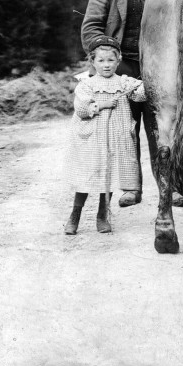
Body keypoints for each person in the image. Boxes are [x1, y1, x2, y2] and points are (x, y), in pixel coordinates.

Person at [80, 0, 183, 207]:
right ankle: (131, 188)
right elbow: (90, 29)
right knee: (126, 130)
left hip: (156, 69)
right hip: (122, 68)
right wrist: (106, 56)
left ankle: (172, 188)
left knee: (163, 128)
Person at [64, 37, 146, 235]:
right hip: (92, 138)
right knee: (87, 175)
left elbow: (141, 94)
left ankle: (103, 215)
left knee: (108, 176)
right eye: (101, 61)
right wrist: (102, 105)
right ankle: (75, 215)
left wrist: (149, 81)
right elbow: (82, 109)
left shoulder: (123, 82)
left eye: (111, 60)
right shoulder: (87, 84)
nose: (106, 65)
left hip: (114, 137)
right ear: (92, 62)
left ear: (118, 61)